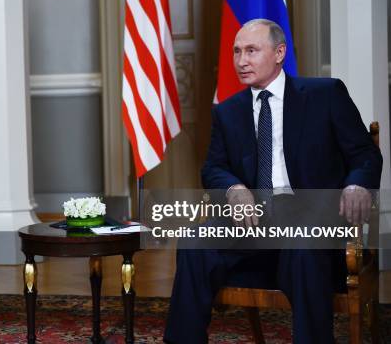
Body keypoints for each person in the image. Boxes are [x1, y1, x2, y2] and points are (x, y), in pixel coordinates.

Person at [164, 19, 382, 343]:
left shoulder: (325, 95)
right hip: (253, 228)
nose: (241, 61)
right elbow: (213, 168)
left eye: (251, 50)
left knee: (303, 240)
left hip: (311, 226)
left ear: (279, 53)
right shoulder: (228, 112)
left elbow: (366, 154)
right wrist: (234, 189)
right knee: (196, 239)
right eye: (237, 51)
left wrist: (356, 185)